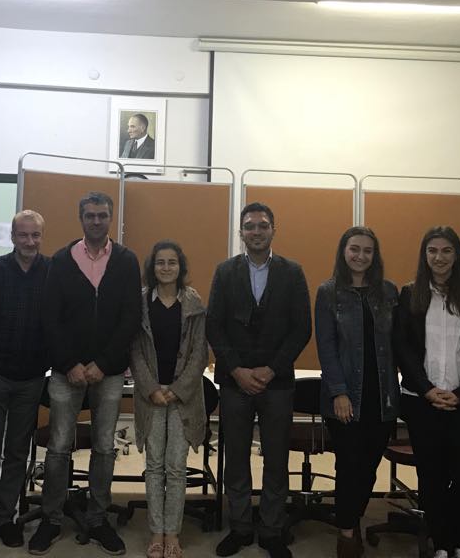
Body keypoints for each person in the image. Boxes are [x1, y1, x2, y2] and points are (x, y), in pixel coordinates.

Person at [29, 192, 141, 556]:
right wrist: (69, 363)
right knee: (59, 447)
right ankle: (51, 518)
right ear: (81, 219)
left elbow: (130, 318)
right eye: (90, 215)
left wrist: (103, 363)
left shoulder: (126, 261)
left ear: (111, 218)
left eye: (102, 215)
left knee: (105, 447)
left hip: (109, 373)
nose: (96, 221)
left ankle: (97, 517)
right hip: (67, 372)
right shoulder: (62, 260)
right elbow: (50, 317)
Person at [205, 202, 311, 558]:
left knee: (276, 459)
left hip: (276, 383)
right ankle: (240, 527)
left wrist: (271, 369)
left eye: (263, 225)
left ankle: (271, 529)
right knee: (235, 457)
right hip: (235, 382)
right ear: (241, 232)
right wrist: (237, 370)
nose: (256, 231)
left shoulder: (292, 273)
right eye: (249, 226)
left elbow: (301, 328)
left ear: (273, 230)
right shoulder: (225, 272)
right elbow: (214, 326)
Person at [393, 226, 460, 558]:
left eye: (446, 250)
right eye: (432, 250)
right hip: (423, 402)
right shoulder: (410, 294)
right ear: (424, 255)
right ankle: (440, 544)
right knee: (431, 476)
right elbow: (402, 347)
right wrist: (427, 390)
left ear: (457, 255)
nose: (439, 257)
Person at [314, 226, 400, 558]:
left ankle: (351, 518)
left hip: (382, 397)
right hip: (345, 396)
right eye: (354, 249)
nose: (360, 256)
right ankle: (347, 533)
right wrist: (339, 392)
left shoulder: (388, 292)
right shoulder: (328, 292)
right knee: (349, 465)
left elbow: (398, 343)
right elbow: (327, 347)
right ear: (343, 252)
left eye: (367, 250)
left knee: (369, 467)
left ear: (374, 255)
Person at [0, 210, 50, 550]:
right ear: (12, 237)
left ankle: (6, 518)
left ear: (41, 236)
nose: (29, 241)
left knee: (17, 452)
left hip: (31, 377)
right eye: (23, 235)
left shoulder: (52, 272)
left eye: (35, 235)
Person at [129, 240, 209, 558]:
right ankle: (156, 531)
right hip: (150, 396)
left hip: (182, 397)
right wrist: (151, 388)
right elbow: (134, 350)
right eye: (160, 262)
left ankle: (172, 533)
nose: (166, 268)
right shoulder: (140, 303)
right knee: (154, 466)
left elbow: (200, 352)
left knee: (176, 467)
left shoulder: (193, 302)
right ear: (153, 267)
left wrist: (177, 389)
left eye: (171, 262)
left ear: (180, 266)